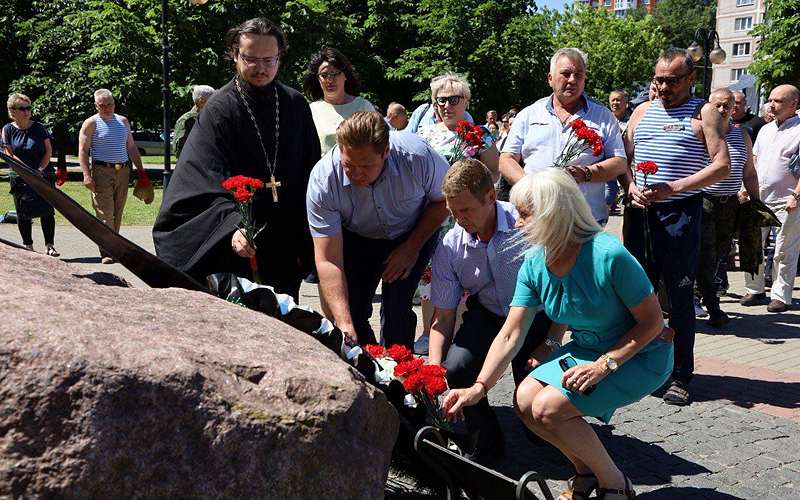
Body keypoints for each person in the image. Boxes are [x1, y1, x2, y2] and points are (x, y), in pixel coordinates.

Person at [443, 169, 673, 500]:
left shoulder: (609, 255)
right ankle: (584, 473)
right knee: (524, 401)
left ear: (554, 213)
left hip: (641, 356)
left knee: (549, 409)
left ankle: (615, 484)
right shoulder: (535, 261)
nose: (518, 224)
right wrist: (479, 387)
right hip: (588, 349)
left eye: (525, 215)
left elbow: (652, 323)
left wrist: (604, 365)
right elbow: (511, 333)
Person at [154, 17, 321, 300]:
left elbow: (312, 171)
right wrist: (232, 226)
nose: (261, 68)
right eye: (251, 58)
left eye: (270, 60)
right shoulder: (220, 109)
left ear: (280, 56)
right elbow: (202, 177)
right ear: (235, 54)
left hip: (286, 239)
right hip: (240, 244)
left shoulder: (294, 105)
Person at [620, 48, 730, 406]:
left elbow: (722, 166)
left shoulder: (705, 112)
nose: (664, 86)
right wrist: (630, 187)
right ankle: (640, 365)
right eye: (659, 79)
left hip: (680, 214)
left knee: (679, 297)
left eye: (672, 80)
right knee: (637, 293)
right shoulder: (640, 111)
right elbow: (625, 161)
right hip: (641, 215)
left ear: (690, 79)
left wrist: (676, 187)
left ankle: (681, 375)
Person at [429, 158, 553, 463]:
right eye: (452, 211)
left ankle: (547, 432)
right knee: (455, 367)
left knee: (535, 412)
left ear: (490, 197)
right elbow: (443, 318)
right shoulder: (450, 245)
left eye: (466, 210)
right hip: (488, 313)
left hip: (535, 316)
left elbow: (562, 290)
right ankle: (486, 444)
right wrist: (433, 370)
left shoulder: (525, 226)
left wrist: (551, 341)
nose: (459, 219)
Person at [307, 111, 449, 349]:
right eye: (349, 165)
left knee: (397, 308)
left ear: (386, 152)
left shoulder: (417, 156)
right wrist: (343, 323)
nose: (356, 174)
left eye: (366, 166)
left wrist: (411, 247)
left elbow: (445, 199)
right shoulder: (323, 180)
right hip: (356, 236)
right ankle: (367, 365)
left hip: (413, 229)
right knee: (351, 310)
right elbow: (329, 259)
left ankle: (400, 370)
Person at [414, 72, 500, 355]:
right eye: (441, 100)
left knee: (463, 272)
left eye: (454, 99)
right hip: (432, 215)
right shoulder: (424, 135)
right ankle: (429, 332)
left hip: (465, 218)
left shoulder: (479, 134)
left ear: (466, 101)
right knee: (431, 274)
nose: (447, 105)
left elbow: (494, 172)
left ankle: (460, 333)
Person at [499, 47, 628, 225]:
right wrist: (531, 186)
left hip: (585, 220)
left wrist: (586, 173)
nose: (572, 80)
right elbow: (506, 159)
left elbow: (620, 162)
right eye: (566, 74)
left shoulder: (603, 116)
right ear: (550, 78)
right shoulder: (529, 115)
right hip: (537, 217)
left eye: (579, 75)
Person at [696, 89, 759, 326]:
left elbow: (750, 171)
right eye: (717, 105)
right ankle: (712, 306)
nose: (722, 110)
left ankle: (701, 297)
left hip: (730, 203)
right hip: (704, 201)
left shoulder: (742, 134)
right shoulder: (702, 131)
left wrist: (756, 201)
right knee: (706, 255)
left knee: (719, 255)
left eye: (727, 105)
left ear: (735, 108)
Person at [741, 84, 800, 313]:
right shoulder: (765, 129)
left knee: (784, 249)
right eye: (770, 100)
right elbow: (754, 161)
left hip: (788, 200)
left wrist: (796, 195)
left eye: (777, 101)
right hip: (760, 198)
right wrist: (745, 188)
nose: (771, 105)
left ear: (793, 104)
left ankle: (781, 295)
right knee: (752, 245)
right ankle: (755, 290)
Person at [78, 88, 146, 264]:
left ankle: (114, 247)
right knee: (105, 213)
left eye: (110, 104)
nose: (107, 108)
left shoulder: (123, 121)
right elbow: (83, 151)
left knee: (117, 211)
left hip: (123, 171)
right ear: (96, 105)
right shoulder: (91, 123)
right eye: (103, 105)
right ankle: (107, 251)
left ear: (114, 103)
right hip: (102, 171)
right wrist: (86, 175)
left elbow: (131, 147)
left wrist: (141, 170)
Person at [1, 93, 58, 256]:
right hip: (20, 176)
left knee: (47, 210)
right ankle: (28, 246)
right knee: (23, 211)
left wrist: (39, 170)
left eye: (28, 108)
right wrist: (26, 171)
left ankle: (50, 245)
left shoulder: (39, 127)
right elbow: (9, 153)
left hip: (43, 174)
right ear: (12, 110)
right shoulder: (7, 129)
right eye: (22, 108)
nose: (27, 111)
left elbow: (48, 150)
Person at [304, 47, 375, 157]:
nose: (330, 80)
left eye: (334, 74)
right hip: (321, 173)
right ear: (318, 79)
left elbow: (377, 144)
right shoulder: (311, 110)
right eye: (324, 75)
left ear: (345, 75)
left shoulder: (364, 107)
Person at [172, 84, 215, 158]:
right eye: (212, 100)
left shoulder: (212, 117)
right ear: (201, 101)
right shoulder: (187, 120)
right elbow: (179, 150)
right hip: (193, 165)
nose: (215, 103)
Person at [607, 90, 630, 215]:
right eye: (613, 100)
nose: (615, 103)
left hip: (626, 163)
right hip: (607, 163)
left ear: (626, 103)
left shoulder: (632, 121)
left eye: (618, 100)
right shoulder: (604, 120)